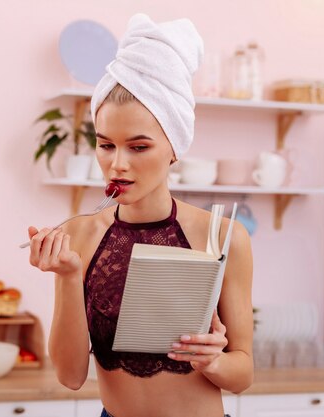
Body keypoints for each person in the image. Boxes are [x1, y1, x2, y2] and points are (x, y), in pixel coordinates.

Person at [27, 14, 253, 417]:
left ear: (174, 147)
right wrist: (66, 276)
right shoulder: (78, 235)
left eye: (138, 147)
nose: (117, 164)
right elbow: (70, 375)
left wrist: (213, 361)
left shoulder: (222, 236)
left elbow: (242, 374)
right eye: (106, 145)